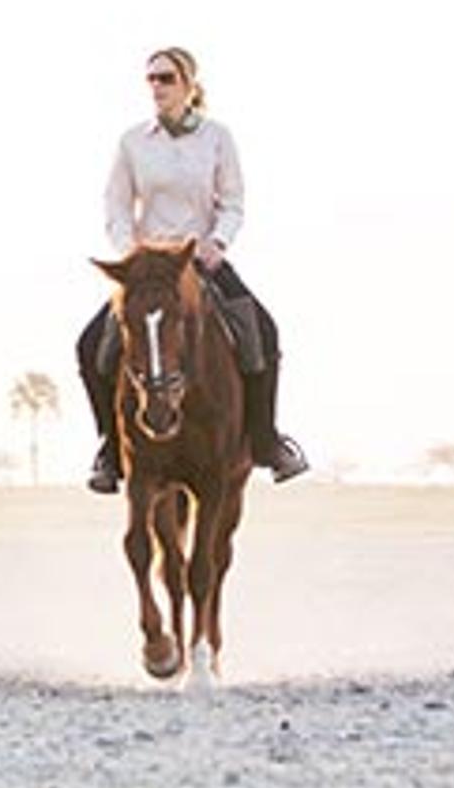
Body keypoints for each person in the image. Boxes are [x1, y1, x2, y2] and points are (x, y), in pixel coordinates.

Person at [80, 44, 305, 493]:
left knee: (264, 332)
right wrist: (131, 254)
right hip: (147, 268)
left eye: (166, 78)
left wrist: (217, 241)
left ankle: (266, 440)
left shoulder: (217, 137)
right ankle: (109, 448)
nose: (157, 87)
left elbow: (233, 201)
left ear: (188, 85)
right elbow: (117, 206)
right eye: (152, 79)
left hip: (201, 258)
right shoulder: (133, 142)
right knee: (92, 347)